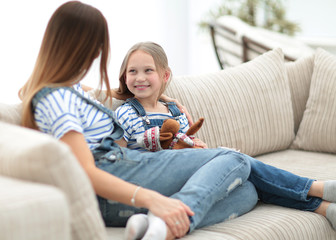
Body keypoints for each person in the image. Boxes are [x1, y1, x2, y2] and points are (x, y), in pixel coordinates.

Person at [19, 2, 259, 240]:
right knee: (234, 159)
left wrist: (160, 95)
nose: (97, 55)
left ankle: (155, 225)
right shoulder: (57, 99)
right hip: (114, 183)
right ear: (82, 46)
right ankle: (165, 218)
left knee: (246, 192)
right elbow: (86, 171)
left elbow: (30, 88)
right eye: (97, 46)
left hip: (126, 169)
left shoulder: (66, 87)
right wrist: (151, 199)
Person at [114, 41, 336, 238]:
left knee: (248, 192)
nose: (139, 77)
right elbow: (122, 159)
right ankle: (316, 193)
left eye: (148, 70)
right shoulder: (126, 113)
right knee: (239, 161)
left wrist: (198, 147)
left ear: (165, 75)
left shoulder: (175, 111)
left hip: (189, 176)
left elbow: (187, 144)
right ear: (124, 76)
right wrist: (150, 142)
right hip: (158, 177)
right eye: (132, 71)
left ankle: (158, 223)